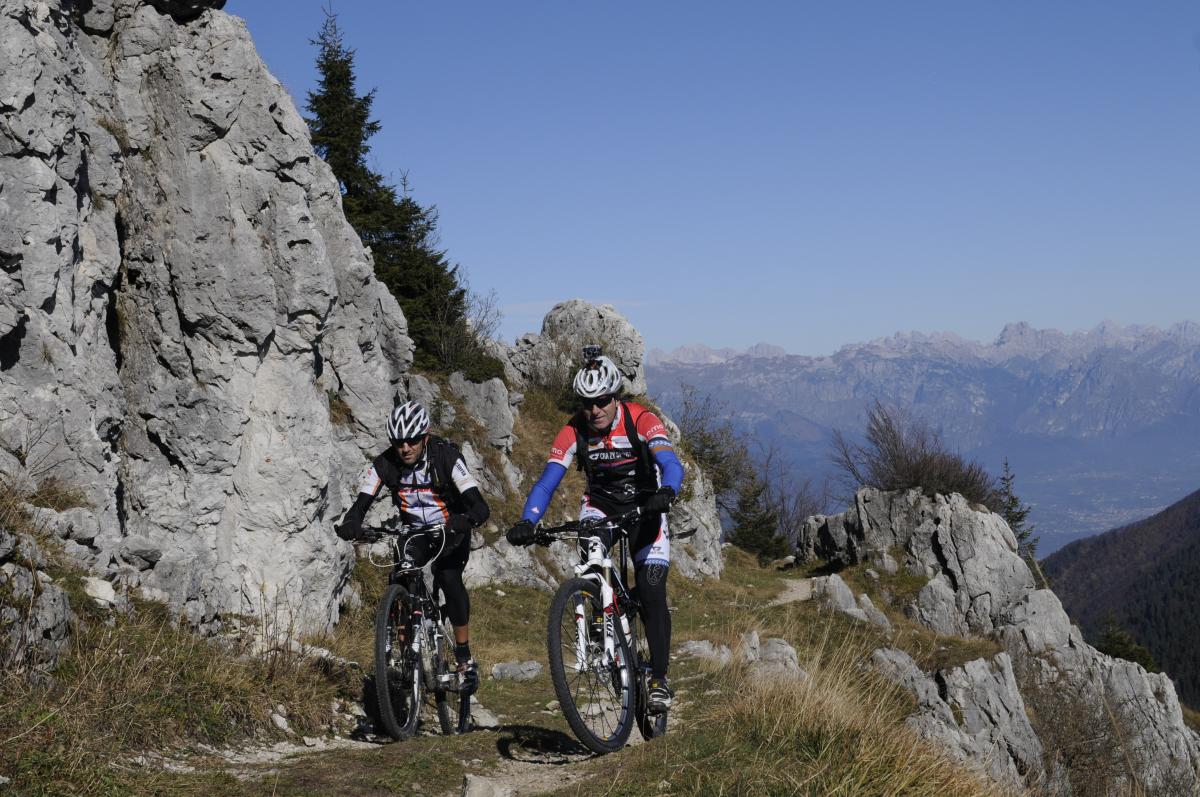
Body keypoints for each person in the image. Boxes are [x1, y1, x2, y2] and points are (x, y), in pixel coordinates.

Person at [506, 347, 684, 713]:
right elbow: (547, 482)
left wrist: (666, 492)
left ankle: (658, 680)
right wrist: (528, 520)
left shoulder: (641, 419)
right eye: (587, 403)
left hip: (645, 508)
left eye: (602, 400)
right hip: (600, 507)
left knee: (650, 588)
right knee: (590, 561)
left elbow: (669, 462)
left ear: (615, 397)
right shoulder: (573, 430)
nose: (595, 410)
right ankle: (603, 627)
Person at [336, 400, 490, 687]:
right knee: (403, 577)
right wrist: (351, 524)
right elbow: (361, 503)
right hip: (414, 533)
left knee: (448, 577)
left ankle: (463, 657)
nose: (405, 448)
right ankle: (409, 658)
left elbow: (478, 504)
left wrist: (467, 519)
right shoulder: (384, 464)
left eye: (412, 441)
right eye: (399, 443)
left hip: (450, 529)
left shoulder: (447, 458)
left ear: (425, 437)